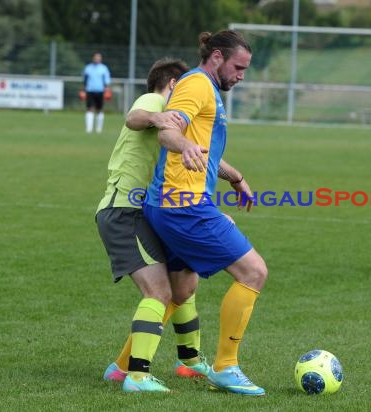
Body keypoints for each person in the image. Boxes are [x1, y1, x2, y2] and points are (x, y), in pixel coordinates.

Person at [142, 30, 268, 396]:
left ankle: (124, 367)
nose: (241, 76)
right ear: (216, 57)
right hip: (185, 206)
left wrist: (235, 176)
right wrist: (182, 144)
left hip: (173, 204)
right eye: (238, 67)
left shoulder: (206, 89)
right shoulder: (197, 86)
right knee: (254, 272)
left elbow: (205, 150)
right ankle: (227, 367)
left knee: (181, 290)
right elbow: (168, 130)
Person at [96, 58, 210, 393]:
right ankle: (137, 376)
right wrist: (157, 114)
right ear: (173, 83)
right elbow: (134, 118)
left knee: (182, 284)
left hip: (150, 212)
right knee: (158, 292)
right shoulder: (156, 101)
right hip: (124, 211)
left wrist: (233, 175)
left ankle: (188, 362)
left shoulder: (173, 123)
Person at [82, 52, 111, 133]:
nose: (97, 59)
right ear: (93, 58)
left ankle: (99, 129)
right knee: (89, 109)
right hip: (90, 91)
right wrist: (83, 89)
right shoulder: (88, 68)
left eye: (99, 58)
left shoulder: (104, 68)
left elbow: (107, 81)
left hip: (100, 91)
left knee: (99, 109)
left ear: (101, 59)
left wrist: (107, 89)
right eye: (96, 57)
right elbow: (85, 80)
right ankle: (89, 129)